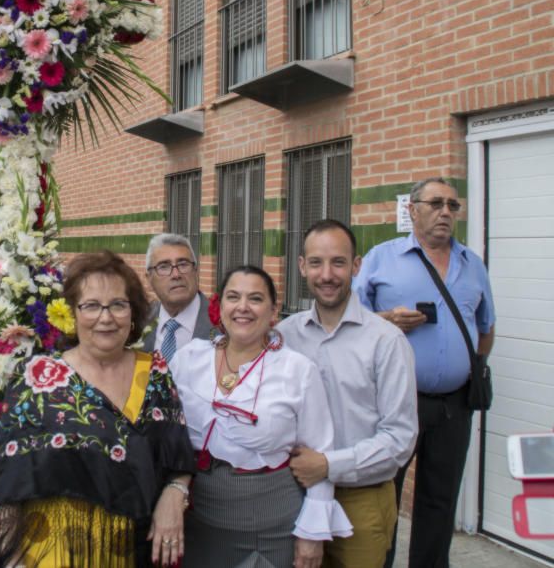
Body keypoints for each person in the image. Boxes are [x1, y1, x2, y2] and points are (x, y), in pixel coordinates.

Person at [0, 250, 196, 567]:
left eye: (118, 305)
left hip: (134, 550)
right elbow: (8, 487)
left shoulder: (154, 372)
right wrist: (12, 559)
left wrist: (175, 492)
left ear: (133, 312)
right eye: (92, 306)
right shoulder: (38, 378)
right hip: (49, 553)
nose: (106, 317)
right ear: (73, 312)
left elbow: (177, 455)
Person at [353, 178, 496, 568]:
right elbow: (349, 321)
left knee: (440, 499)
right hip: (394, 403)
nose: (445, 212)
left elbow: (486, 329)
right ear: (412, 210)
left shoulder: (472, 264)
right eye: (436, 203)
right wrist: (387, 320)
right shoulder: (382, 258)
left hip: (454, 405)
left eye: (453, 205)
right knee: (383, 497)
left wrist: (462, 367)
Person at [171, 265, 352, 568]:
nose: (242, 307)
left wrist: (312, 534)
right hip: (199, 517)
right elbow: (166, 436)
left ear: (273, 310)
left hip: (272, 522)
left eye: (255, 299)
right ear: (220, 305)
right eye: (233, 297)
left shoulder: (297, 370)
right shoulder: (188, 359)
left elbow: (320, 454)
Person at [278, 220, 418, 567]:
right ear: (301, 266)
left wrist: (328, 466)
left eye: (338, 262)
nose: (327, 274)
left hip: (361, 501)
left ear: (356, 266)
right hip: (293, 496)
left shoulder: (386, 341)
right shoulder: (284, 336)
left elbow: (400, 437)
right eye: (316, 263)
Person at [141, 233, 214, 362]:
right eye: (164, 266)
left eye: (183, 264)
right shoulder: (139, 322)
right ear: (149, 279)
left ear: (196, 271)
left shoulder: (224, 324)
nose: (176, 274)